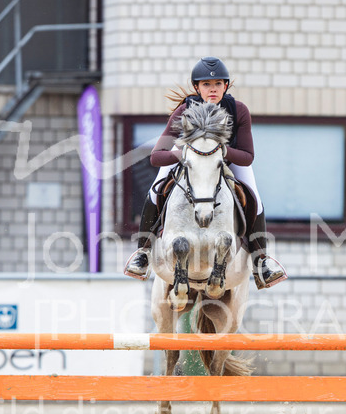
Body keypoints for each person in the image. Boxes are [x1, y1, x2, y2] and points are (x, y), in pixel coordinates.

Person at [123, 57, 287, 290]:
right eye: (207, 85)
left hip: (227, 160)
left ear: (226, 86)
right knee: (156, 188)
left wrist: (221, 151)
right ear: (197, 88)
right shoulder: (184, 111)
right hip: (188, 160)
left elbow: (248, 156)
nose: (213, 89)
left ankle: (261, 261)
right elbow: (156, 156)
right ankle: (144, 253)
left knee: (255, 199)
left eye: (218, 84)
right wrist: (183, 154)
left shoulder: (238, 110)